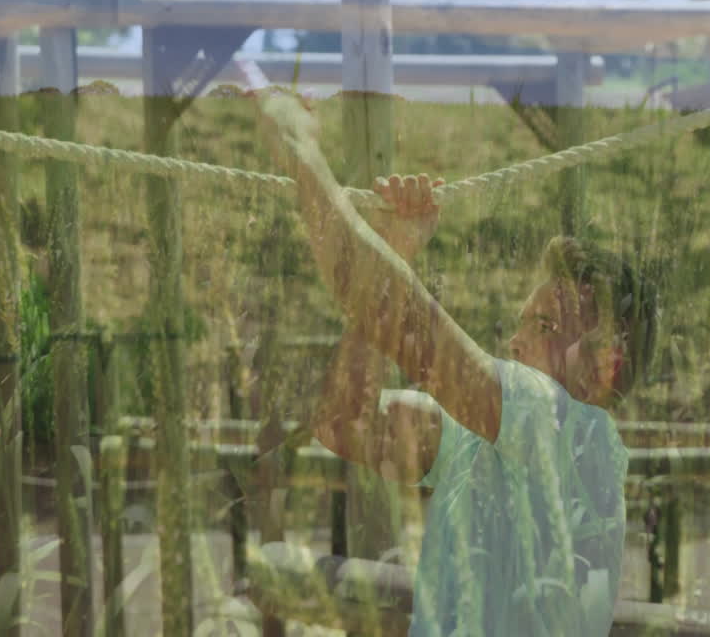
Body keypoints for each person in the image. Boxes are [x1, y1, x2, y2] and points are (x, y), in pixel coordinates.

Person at [256, 91, 655, 637]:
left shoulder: (570, 425)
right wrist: (397, 251)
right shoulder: (491, 439)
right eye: (523, 321)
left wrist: (300, 149)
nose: (514, 342)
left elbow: (396, 318)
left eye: (543, 327)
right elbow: (343, 423)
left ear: (603, 365)